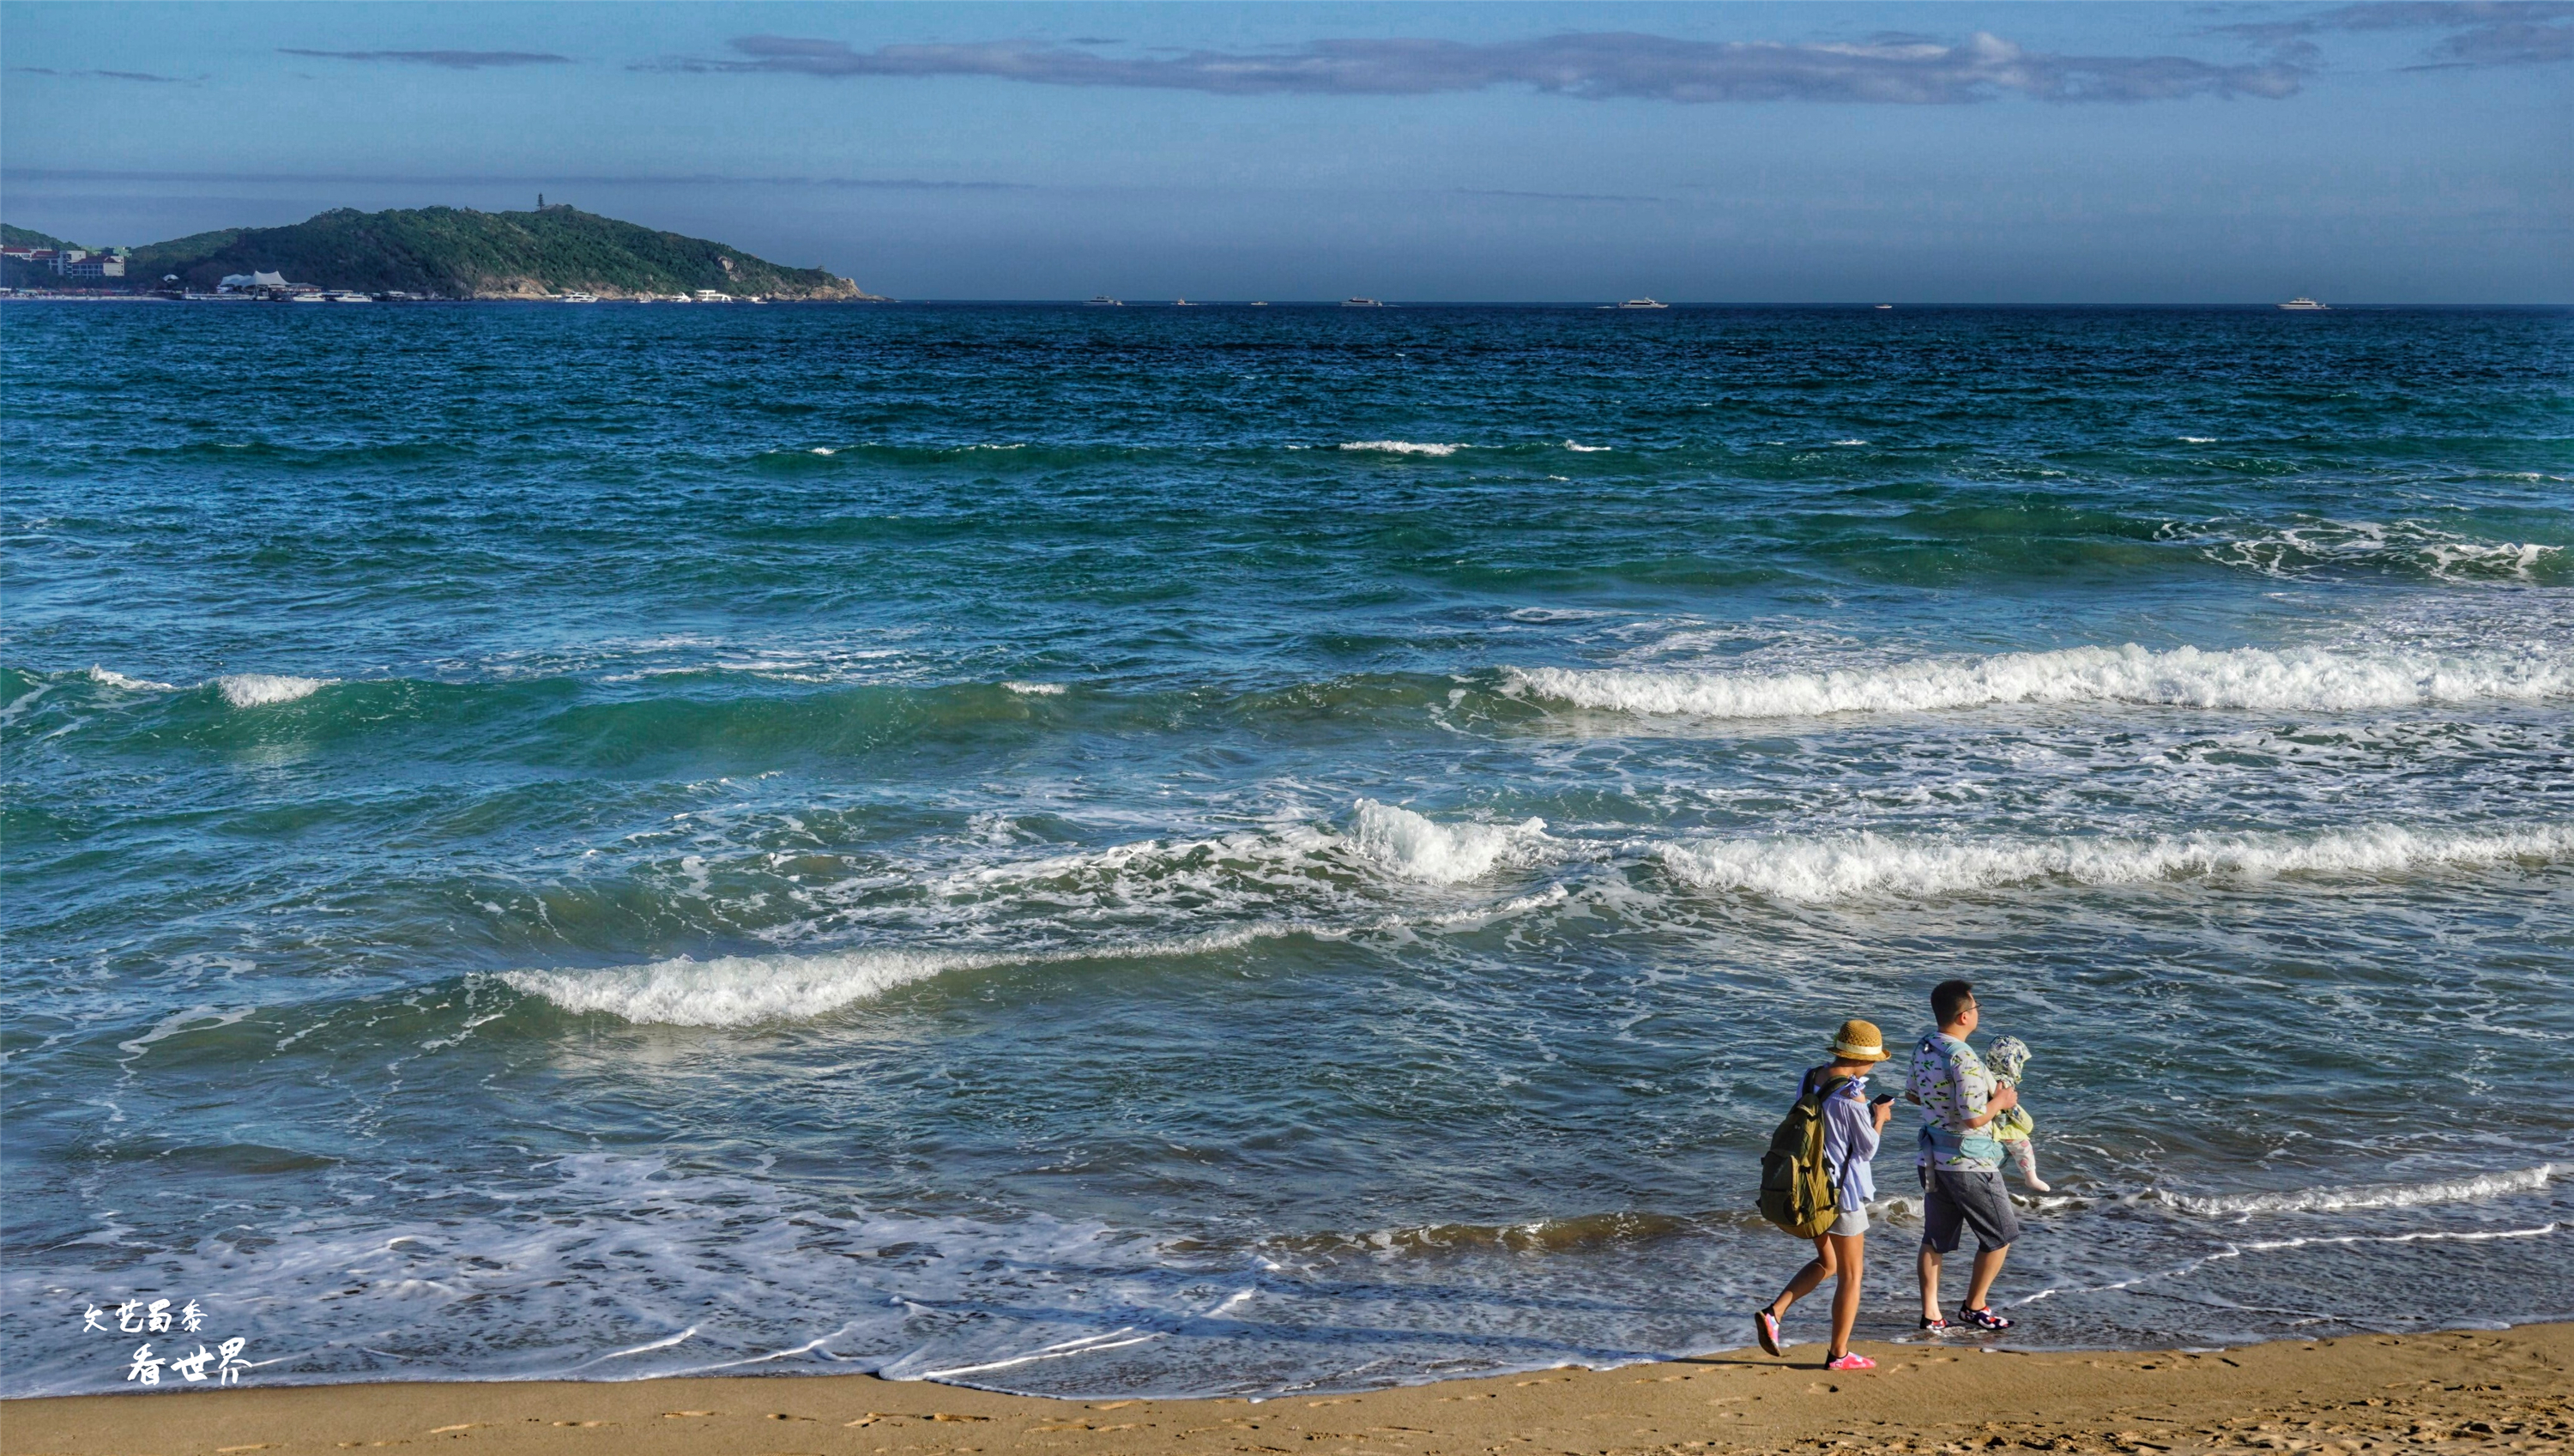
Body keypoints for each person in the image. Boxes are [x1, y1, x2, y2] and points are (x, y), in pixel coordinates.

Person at [1754, 1018, 1896, 1372]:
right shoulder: (1851, 1096)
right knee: (1850, 1275)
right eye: (1874, 1060)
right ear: (1862, 1061)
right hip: (1840, 1195)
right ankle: (1839, 1354)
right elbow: (1866, 1150)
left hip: (1808, 1190)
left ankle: (1774, 1313)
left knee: (1828, 1263)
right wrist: (1878, 1117)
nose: (1875, 1066)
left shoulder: (1810, 1077)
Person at [1907, 979, 2021, 1333]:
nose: (1977, 1013)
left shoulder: (1925, 1046)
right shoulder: (1964, 1057)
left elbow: (1913, 1095)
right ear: (1962, 1016)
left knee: (1935, 1239)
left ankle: (1931, 1314)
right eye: (1976, 1007)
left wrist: (1941, 1107)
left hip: (1932, 1159)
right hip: (1969, 1162)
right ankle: (1975, 1306)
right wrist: (2001, 1102)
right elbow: (1973, 1117)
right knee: (2001, 1234)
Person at [1984, 1035, 2049, 1193]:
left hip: (1989, 1119)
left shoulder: (1985, 1075)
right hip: (2001, 1124)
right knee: (2023, 1146)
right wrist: (2027, 1123)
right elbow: (2012, 1109)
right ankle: (2030, 1177)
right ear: (2011, 1062)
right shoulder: (2004, 1082)